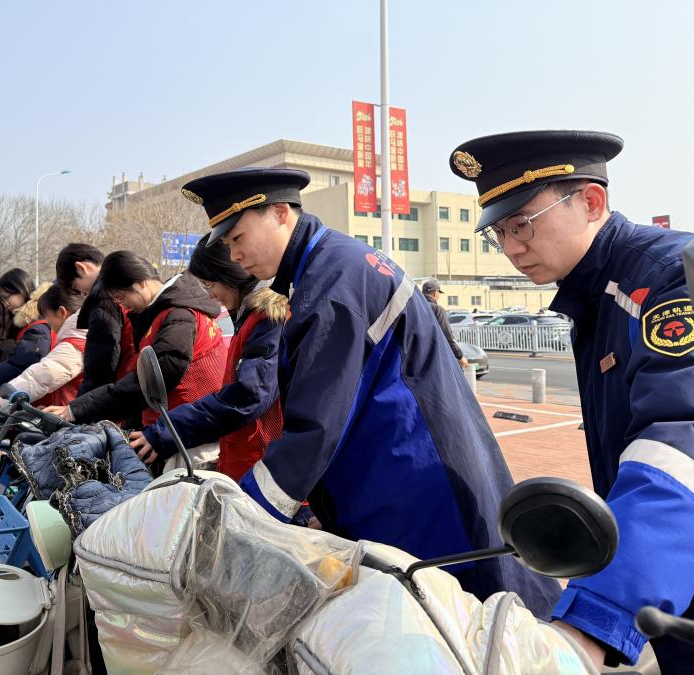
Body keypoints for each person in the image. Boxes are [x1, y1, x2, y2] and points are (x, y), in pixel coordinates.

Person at [448, 129, 694, 672]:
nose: (511, 248)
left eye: (523, 224)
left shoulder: (671, 279)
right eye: (499, 233)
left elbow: (690, 435)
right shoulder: (599, 293)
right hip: (692, 569)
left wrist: (595, 619)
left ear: (591, 202)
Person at [178, 167, 562, 616]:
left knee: (461, 620)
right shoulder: (330, 266)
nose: (234, 255)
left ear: (280, 213)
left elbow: (316, 426)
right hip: (406, 469)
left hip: (414, 486)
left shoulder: (331, 285)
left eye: (238, 238)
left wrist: (240, 517)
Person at [127, 232, 287, 482]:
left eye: (209, 285)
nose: (209, 295)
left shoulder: (268, 319)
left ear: (229, 274)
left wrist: (167, 430)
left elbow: (247, 396)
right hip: (248, 460)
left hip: (265, 469)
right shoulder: (248, 315)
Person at [44, 252, 227, 468]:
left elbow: (148, 383)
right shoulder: (166, 313)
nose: (124, 305)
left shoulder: (179, 316)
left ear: (140, 283)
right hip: (174, 432)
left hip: (189, 441)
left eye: (122, 298)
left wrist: (76, 410)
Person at [0, 284, 86, 419]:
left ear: (62, 312)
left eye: (47, 316)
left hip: (70, 424)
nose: (46, 321)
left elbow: (36, 380)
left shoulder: (75, 345)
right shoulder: (82, 336)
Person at [55, 243, 135, 395]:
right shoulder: (126, 284)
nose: (82, 294)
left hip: (121, 389)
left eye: (76, 288)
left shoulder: (102, 300)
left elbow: (100, 366)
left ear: (81, 268)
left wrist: (78, 406)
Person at [0, 268, 52, 398]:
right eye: (3, 300)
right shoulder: (21, 323)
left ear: (22, 290)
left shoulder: (38, 328)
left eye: (7, 297)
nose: (6, 304)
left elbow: (15, 366)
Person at [421, 278, 468, 369]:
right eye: (439, 293)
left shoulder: (414, 307)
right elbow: (447, 335)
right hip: (433, 356)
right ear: (435, 293)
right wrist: (460, 356)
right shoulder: (437, 309)